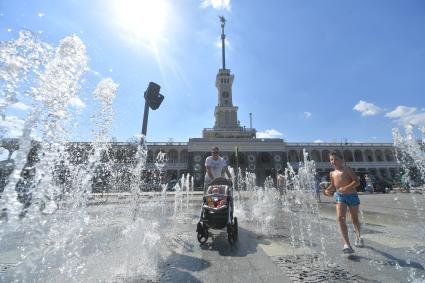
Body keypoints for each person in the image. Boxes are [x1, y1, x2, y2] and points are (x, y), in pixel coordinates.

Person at [325, 151, 362, 254]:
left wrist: (346, 187)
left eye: (336, 159)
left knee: (355, 219)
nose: (333, 161)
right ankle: (346, 244)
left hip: (352, 196)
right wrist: (327, 190)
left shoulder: (347, 169)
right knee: (340, 218)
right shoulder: (332, 173)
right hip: (340, 196)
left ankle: (358, 236)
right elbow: (333, 185)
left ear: (342, 160)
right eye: (331, 159)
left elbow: (357, 182)